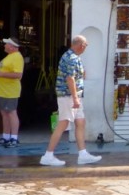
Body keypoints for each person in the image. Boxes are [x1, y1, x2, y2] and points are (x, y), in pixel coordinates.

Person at [40, 35, 102, 166]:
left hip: (73, 96)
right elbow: (70, 78)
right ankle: (48, 155)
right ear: (81, 45)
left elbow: (76, 76)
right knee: (63, 123)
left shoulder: (72, 57)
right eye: (86, 45)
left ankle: (83, 154)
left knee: (80, 122)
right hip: (68, 96)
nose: (85, 48)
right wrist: (75, 98)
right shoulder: (71, 58)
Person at [0, 37, 24, 148]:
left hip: (10, 91)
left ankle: (14, 138)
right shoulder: (10, 56)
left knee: (11, 113)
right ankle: (6, 137)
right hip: (3, 90)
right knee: (5, 113)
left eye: (6, 44)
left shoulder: (17, 57)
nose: (4, 46)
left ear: (12, 46)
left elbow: (18, 75)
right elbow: (5, 69)